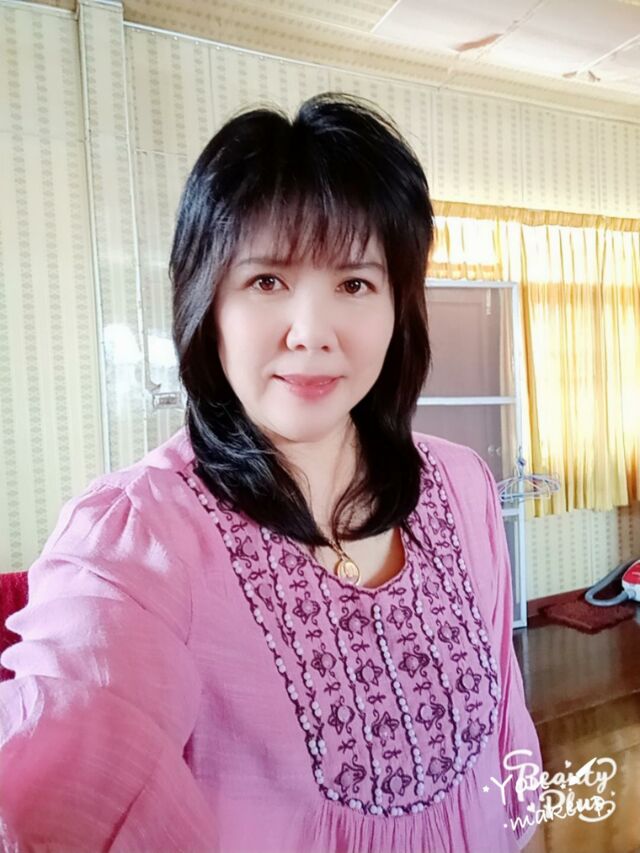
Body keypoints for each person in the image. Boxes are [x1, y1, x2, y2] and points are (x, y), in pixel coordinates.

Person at [0, 93, 545, 853]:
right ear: (208, 302)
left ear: (399, 306)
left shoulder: (460, 484)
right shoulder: (138, 537)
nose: (312, 334)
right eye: (266, 281)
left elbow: (506, 744)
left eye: (355, 283)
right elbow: (60, 781)